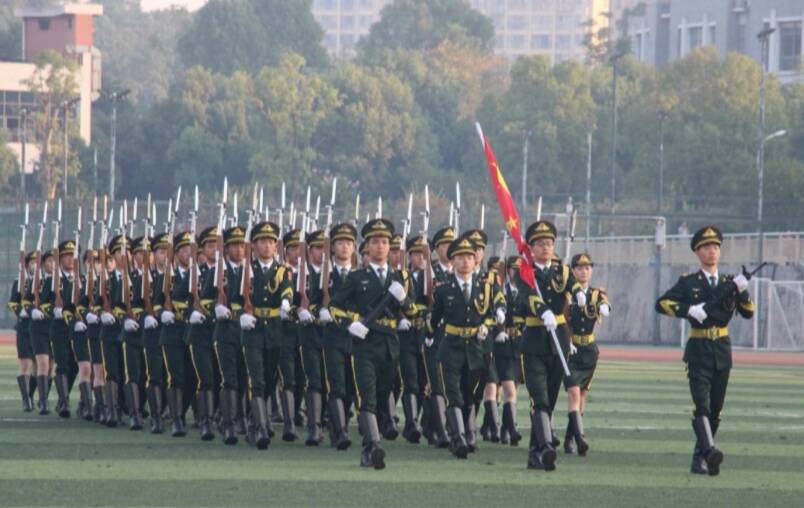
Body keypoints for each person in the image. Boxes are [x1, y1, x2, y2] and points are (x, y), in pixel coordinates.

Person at [656, 226, 754, 476]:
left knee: (716, 409)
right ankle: (709, 452)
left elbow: (748, 312)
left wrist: (742, 290)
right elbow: (662, 303)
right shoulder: (688, 282)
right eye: (707, 247)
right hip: (698, 348)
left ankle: (699, 458)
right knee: (702, 405)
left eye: (716, 247)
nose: (712, 251)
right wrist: (688, 310)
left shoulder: (729, 282)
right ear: (697, 252)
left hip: (721, 348)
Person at [329, 218, 413, 470]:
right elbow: (334, 307)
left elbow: (413, 311)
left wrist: (404, 301)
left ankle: (371, 444)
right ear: (366, 246)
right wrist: (349, 325)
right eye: (375, 242)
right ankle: (373, 446)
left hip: (389, 346)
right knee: (366, 396)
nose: (380, 246)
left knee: (381, 395)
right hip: (365, 345)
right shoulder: (357, 278)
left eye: (385, 242)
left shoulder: (399, 277)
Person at [515, 220, 585, 472]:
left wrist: (578, 292)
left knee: (551, 399)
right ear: (531, 248)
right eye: (540, 244)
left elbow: (571, 283)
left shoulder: (561, 270)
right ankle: (546, 446)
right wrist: (542, 310)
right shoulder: (524, 271)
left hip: (559, 341)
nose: (545, 247)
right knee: (540, 398)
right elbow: (528, 296)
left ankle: (535, 453)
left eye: (549, 243)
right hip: (535, 340)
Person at [428, 237, 500, 459]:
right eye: (460, 257)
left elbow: (491, 314)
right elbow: (434, 319)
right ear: (453, 261)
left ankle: (469, 433)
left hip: (475, 348)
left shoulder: (484, 288)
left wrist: (488, 325)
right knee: (453, 394)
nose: (466, 261)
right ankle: (458, 438)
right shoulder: (444, 289)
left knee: (470, 395)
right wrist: (428, 334)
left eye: (469, 257)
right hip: (451, 347)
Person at [239, 222, 293, 449]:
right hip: (252, 331)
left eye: (271, 242)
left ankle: (254, 421)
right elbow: (232, 298)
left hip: (274, 330)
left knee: (270, 379)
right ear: (254, 245)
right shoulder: (246, 270)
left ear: (276, 246)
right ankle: (261, 428)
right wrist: (239, 315)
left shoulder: (282, 270)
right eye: (262, 241)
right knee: (257, 379)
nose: (267, 246)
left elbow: (287, 288)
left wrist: (286, 302)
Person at [563, 253, 610, 456]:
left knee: (581, 396)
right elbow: (563, 320)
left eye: (587, 268)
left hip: (589, 351)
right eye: (580, 268)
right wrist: (567, 342)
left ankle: (570, 439)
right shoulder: (567, 295)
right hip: (571, 351)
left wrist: (604, 307)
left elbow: (605, 306)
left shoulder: (596, 294)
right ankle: (580, 438)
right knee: (574, 393)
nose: (584, 271)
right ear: (573, 271)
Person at [320, 223, 359, 451]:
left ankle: (338, 424)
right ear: (332, 247)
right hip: (332, 337)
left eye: (348, 243)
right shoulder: (324, 274)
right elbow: (311, 299)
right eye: (340, 243)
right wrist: (319, 311)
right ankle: (340, 430)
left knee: (352, 386)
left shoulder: (361, 276)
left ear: (354, 248)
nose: (344, 247)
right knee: (336, 384)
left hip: (355, 338)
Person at [8, 252, 37, 412]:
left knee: (39, 367)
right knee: (24, 364)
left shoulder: (44, 281)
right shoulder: (20, 281)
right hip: (24, 328)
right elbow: (13, 302)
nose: (35, 265)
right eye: (32, 262)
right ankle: (26, 399)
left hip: (39, 328)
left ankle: (31, 395)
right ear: (27, 265)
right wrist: (22, 311)